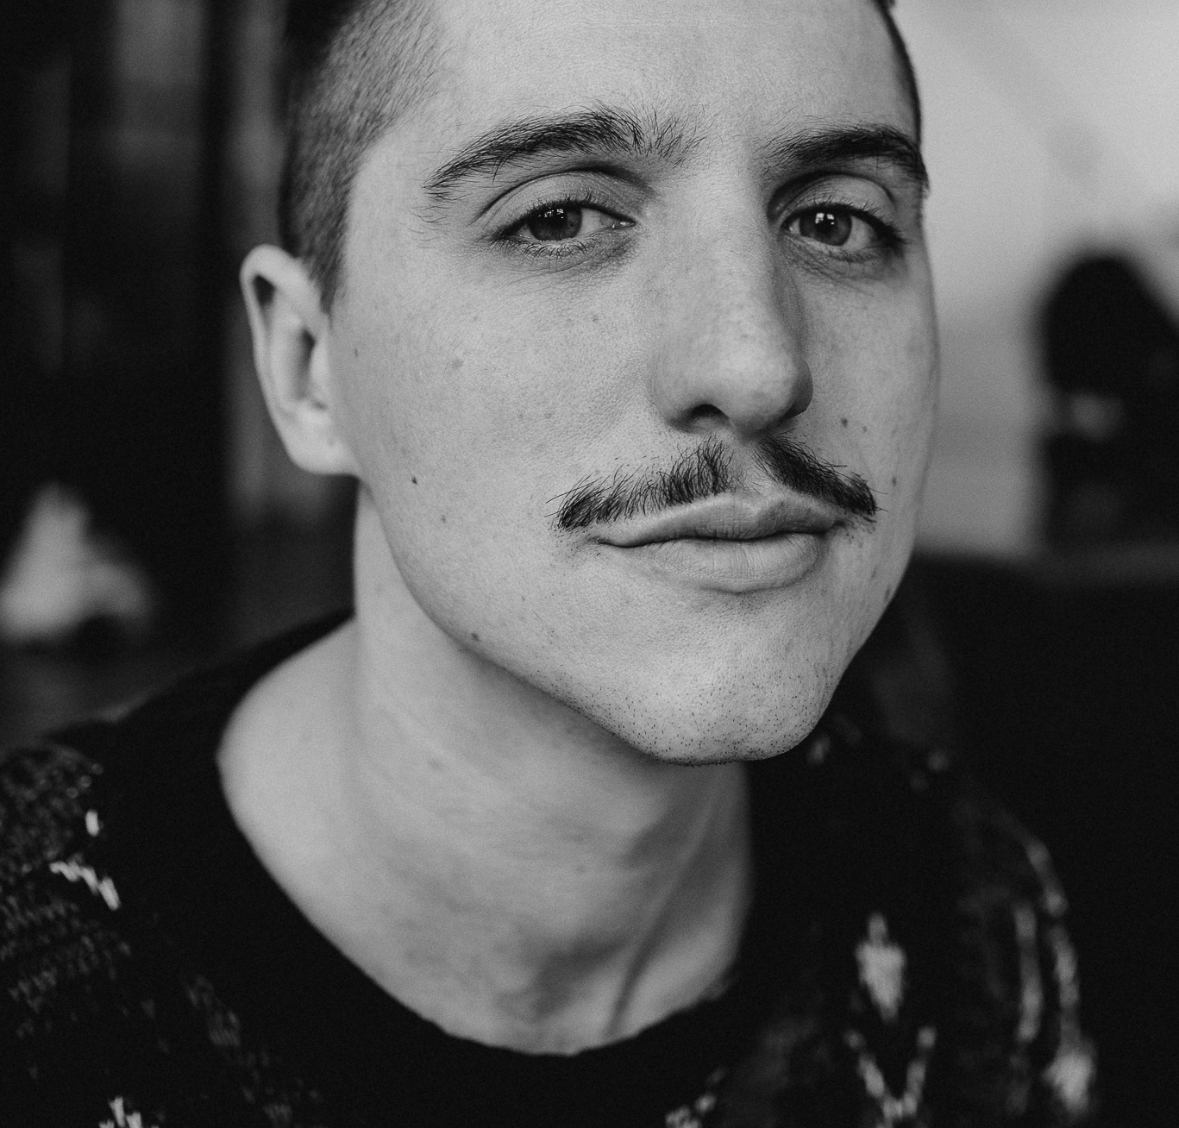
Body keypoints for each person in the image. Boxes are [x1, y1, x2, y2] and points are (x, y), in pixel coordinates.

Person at [0, 0, 1096, 1124]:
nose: (758, 365)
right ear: (307, 367)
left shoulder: (964, 905)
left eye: (836, 221)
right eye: (560, 218)